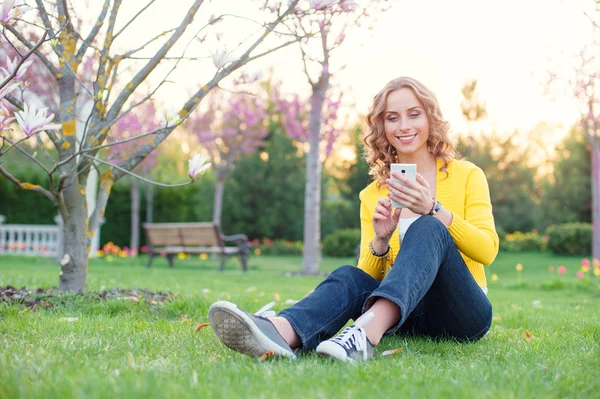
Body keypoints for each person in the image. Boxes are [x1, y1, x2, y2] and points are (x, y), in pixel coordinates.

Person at [208, 77, 499, 362]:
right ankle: (280, 332)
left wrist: (434, 208)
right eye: (392, 118)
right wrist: (381, 241)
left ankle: (362, 335)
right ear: (382, 127)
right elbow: (366, 279)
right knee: (348, 275)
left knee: (428, 227)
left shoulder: (467, 175)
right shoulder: (372, 195)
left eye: (414, 114)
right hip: (406, 314)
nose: (404, 126)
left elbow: (487, 250)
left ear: (430, 119)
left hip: (462, 312)